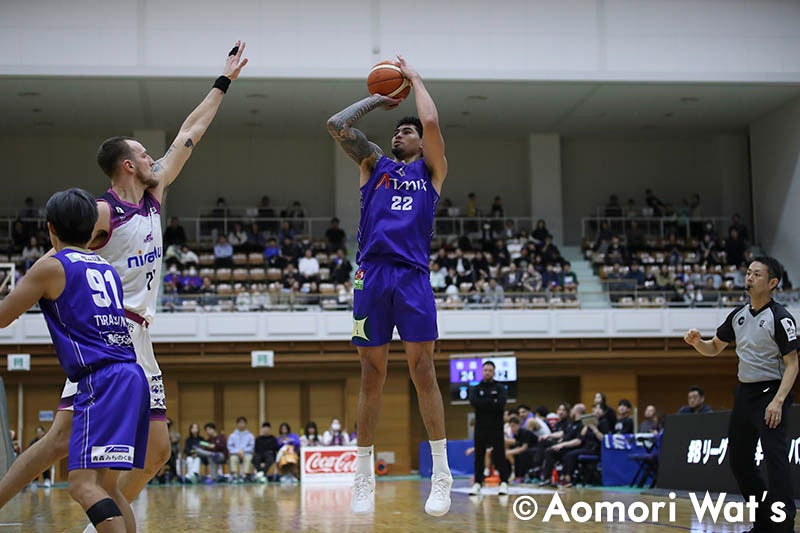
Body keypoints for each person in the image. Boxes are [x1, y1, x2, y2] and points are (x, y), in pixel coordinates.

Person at [0, 42, 248, 518]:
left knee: (157, 452)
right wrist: (45, 284)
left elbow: (190, 131)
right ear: (128, 165)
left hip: (141, 338)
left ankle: (106, 519)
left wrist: (224, 80)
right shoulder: (101, 212)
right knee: (59, 445)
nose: (155, 155)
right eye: (143, 152)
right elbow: (62, 255)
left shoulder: (154, 194)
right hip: (109, 336)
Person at [327, 54, 452, 516]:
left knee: (423, 371)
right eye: (397, 130)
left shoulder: (431, 172)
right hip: (371, 275)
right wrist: (377, 98)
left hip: (413, 277)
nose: (400, 133)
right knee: (371, 374)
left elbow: (433, 118)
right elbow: (336, 124)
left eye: (407, 130)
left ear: (421, 142)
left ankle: (441, 473)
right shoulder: (374, 165)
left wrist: (415, 78)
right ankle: (363, 476)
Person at [0, 188, 149, 533]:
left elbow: (4, 317)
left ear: (50, 227)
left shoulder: (51, 268)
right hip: (129, 373)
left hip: (102, 379)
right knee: (108, 487)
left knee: (82, 485)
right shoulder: (106, 267)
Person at [684, 256, 798, 533]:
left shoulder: (780, 318)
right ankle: (764, 520)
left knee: (775, 460)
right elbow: (714, 348)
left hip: (771, 392)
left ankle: (782, 525)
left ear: (772, 283)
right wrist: (698, 343)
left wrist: (778, 401)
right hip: (745, 393)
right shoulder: (738, 315)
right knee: (739, 460)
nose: (749, 277)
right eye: (748, 273)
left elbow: (793, 364)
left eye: (756, 274)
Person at [467, 361, 510, 496]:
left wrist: (485, 402)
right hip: (480, 427)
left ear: (494, 372)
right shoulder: (475, 388)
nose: (487, 372)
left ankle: (503, 482)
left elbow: (501, 404)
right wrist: (492, 401)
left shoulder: (500, 388)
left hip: (496, 427)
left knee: (499, 455)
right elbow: (474, 402)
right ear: (482, 371)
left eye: (490, 370)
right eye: (485, 370)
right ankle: (478, 483)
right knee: (479, 455)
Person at [227, 417, 254, 483]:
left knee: (248, 458)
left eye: (243, 423)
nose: (241, 424)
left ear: (245, 424)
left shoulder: (250, 435)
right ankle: (235, 476)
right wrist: (238, 451)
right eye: (240, 423)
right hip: (236, 454)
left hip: (246, 453)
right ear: (237, 424)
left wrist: (243, 451)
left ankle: (245, 476)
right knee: (233, 458)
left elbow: (251, 446)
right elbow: (229, 446)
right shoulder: (232, 435)